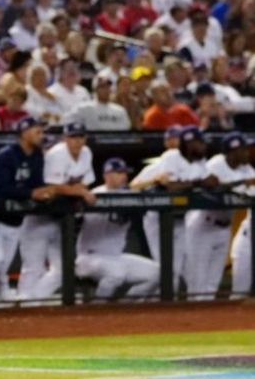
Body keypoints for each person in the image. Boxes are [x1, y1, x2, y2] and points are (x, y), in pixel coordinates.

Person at [130, 125, 217, 293]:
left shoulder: (199, 161)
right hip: (158, 218)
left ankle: (156, 305)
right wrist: (196, 183)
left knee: (180, 270)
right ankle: (136, 301)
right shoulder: (170, 158)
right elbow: (164, 186)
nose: (203, 146)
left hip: (179, 219)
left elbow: (208, 182)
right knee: (169, 271)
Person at [17, 121, 98, 302]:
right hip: (38, 216)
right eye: (72, 137)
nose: (77, 141)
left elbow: (85, 182)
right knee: (33, 267)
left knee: (63, 268)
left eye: (80, 137)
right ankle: (22, 304)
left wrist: (78, 189)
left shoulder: (86, 153)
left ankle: (30, 301)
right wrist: (80, 191)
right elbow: (53, 187)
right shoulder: (57, 154)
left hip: (59, 219)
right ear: (65, 138)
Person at [0, 116, 61, 304]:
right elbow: (0, 188)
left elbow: (36, 185)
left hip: (16, 220)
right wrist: (31, 193)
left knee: (0, 266)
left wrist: (43, 191)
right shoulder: (6, 155)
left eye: (41, 132)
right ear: (24, 133)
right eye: (37, 131)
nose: (41, 135)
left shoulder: (36, 156)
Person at [77, 158, 160, 301]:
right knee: (115, 273)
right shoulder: (94, 195)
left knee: (158, 272)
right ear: (107, 176)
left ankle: (127, 305)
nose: (124, 176)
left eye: (125, 173)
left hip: (116, 256)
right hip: (89, 257)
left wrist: (152, 183)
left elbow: (140, 191)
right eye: (119, 173)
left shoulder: (130, 196)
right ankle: (98, 308)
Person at [184, 132, 255, 299]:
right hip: (202, 225)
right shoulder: (216, 163)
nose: (248, 153)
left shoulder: (247, 169)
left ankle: (204, 321)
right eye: (244, 149)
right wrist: (239, 184)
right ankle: (189, 320)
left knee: (212, 283)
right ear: (233, 151)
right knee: (198, 283)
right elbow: (208, 186)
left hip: (224, 227)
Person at [65, 72, 132, 131]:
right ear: (96, 90)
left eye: (108, 87)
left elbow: (125, 129)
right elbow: (68, 122)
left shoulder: (119, 110)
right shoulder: (84, 108)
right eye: (102, 87)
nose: (106, 90)